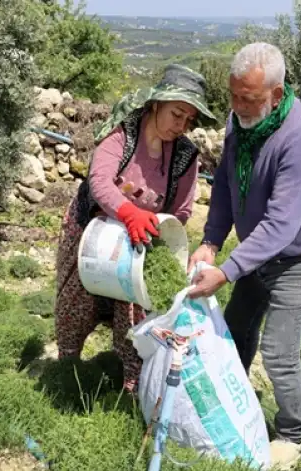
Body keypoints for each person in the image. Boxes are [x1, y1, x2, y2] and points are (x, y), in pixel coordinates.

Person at [186, 42, 301, 470]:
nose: (238, 106)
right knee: (234, 329)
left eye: (249, 98)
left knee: (278, 348)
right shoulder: (242, 122)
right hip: (261, 248)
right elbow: (223, 183)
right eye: (233, 95)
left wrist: (227, 271)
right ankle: (230, 406)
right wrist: (212, 240)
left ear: (277, 94)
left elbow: (282, 224)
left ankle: (293, 435)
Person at [54, 64, 217, 394]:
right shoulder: (123, 133)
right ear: (156, 104)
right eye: (177, 114)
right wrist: (128, 212)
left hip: (140, 238)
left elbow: (182, 210)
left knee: (134, 311)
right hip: (93, 228)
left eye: (189, 119)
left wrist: (161, 227)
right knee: (78, 297)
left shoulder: (185, 156)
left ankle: (131, 384)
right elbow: (99, 181)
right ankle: (67, 369)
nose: (181, 125)